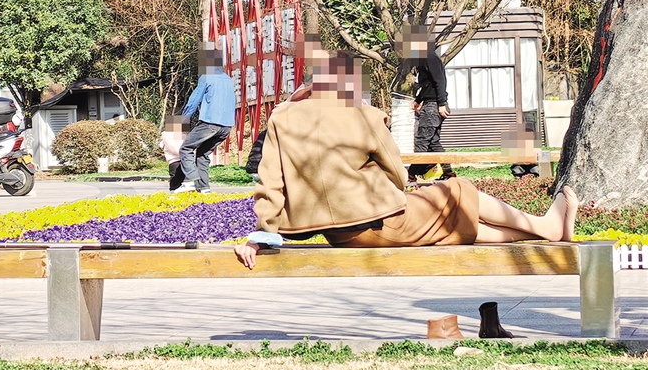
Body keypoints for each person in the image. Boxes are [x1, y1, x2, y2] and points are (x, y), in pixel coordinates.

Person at [233, 51, 578, 270]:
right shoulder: (362, 114)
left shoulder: (282, 117)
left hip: (341, 236)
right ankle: (544, 226)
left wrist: (262, 234)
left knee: (449, 226)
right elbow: (398, 175)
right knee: (457, 190)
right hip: (379, 222)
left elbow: (271, 182)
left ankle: (545, 230)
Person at [177, 45, 236, 193]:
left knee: (186, 149)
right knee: (202, 154)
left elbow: (194, 100)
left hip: (210, 122)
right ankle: (204, 188)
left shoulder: (206, 77)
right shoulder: (228, 79)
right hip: (227, 126)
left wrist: (184, 118)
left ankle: (190, 181)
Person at [396, 24, 451, 181]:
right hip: (430, 103)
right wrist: (418, 100)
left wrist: (442, 103)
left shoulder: (430, 57)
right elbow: (427, 85)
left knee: (422, 141)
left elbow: (440, 81)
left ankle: (411, 174)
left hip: (434, 105)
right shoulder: (422, 59)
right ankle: (448, 173)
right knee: (433, 142)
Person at [161, 115, 190, 191]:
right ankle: (173, 190)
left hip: (184, 159)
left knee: (184, 179)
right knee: (176, 178)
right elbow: (173, 147)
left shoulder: (182, 134)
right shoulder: (168, 134)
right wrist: (185, 153)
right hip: (175, 160)